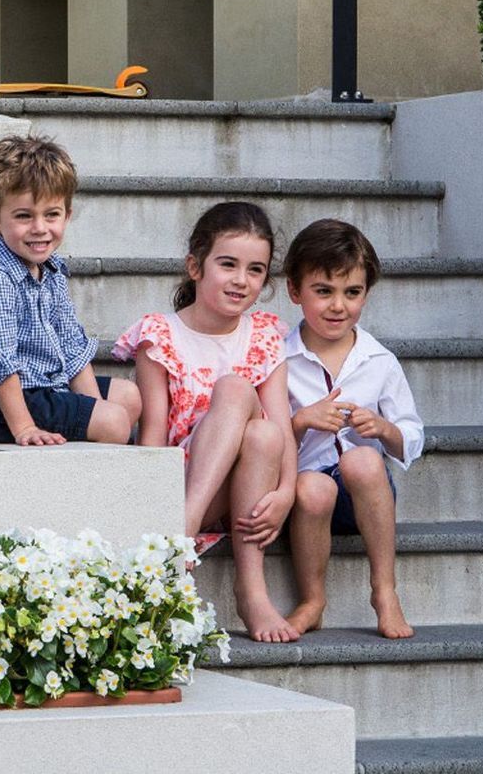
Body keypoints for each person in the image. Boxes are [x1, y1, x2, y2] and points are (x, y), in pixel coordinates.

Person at [113, 201, 300, 643]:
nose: (241, 280)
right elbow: (153, 437)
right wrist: (154, 506)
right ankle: (183, 526)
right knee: (236, 390)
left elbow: (283, 427)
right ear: (195, 266)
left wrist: (287, 492)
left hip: (246, 484)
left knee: (262, 431)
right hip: (179, 486)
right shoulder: (160, 336)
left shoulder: (264, 336)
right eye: (228, 264)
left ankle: (249, 589)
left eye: (255, 270)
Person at [281, 218, 424, 639]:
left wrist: (382, 428)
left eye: (352, 292)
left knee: (362, 459)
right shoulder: (280, 359)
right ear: (295, 291)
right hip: (306, 501)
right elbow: (266, 442)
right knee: (313, 486)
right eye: (323, 291)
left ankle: (385, 591)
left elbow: (411, 437)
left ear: (366, 294)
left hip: (365, 496)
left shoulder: (379, 361)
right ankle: (312, 600)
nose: (338, 306)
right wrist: (301, 422)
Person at [0, 134, 141, 446]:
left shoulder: (51, 270)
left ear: (67, 215)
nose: (40, 228)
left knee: (128, 397)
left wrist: (93, 407)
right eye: (24, 216)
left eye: (51, 214)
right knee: (114, 422)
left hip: (46, 384)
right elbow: (0, 362)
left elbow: (71, 347)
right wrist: (25, 428)